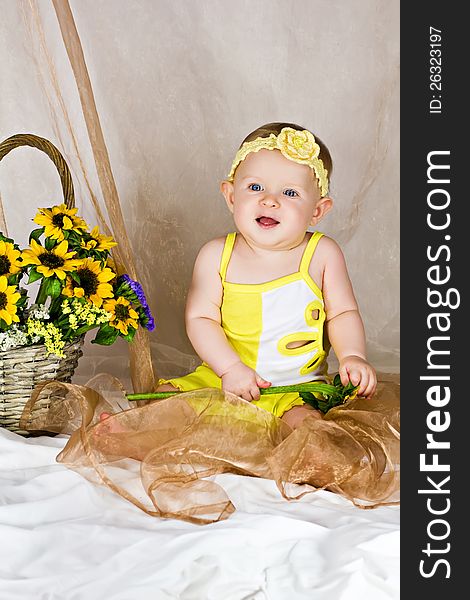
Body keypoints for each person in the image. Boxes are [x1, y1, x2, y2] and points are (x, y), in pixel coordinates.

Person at [151, 122, 377, 430]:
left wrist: (352, 355)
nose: (270, 200)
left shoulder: (322, 254)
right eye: (255, 187)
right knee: (164, 402)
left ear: (317, 210)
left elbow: (343, 312)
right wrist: (230, 368)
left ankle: (308, 456)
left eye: (290, 192)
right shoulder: (216, 255)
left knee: (309, 428)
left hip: (295, 389)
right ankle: (132, 434)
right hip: (223, 378)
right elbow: (200, 319)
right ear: (231, 196)